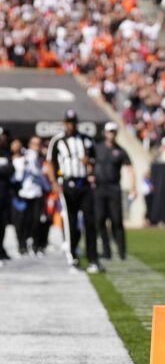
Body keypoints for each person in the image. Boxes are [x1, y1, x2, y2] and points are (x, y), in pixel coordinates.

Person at [46, 109, 102, 273]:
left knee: (90, 221)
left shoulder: (86, 139)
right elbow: (51, 163)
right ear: (64, 123)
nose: (71, 125)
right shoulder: (57, 141)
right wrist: (54, 182)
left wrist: (89, 163)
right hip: (67, 184)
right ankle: (73, 258)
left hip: (84, 183)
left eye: (73, 122)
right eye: (68, 122)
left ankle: (93, 259)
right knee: (70, 223)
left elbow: (94, 161)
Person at [94, 122, 136, 260]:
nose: (111, 134)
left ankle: (121, 251)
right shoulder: (97, 148)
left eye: (113, 132)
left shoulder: (120, 151)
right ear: (105, 133)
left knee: (116, 221)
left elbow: (130, 168)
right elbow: (88, 162)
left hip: (114, 188)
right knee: (100, 220)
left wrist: (133, 187)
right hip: (99, 188)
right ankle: (106, 252)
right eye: (109, 132)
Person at [12, 136, 49, 255]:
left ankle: (35, 244)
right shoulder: (27, 155)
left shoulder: (42, 159)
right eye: (34, 144)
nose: (36, 147)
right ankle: (22, 245)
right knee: (23, 221)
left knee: (37, 221)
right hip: (23, 194)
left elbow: (43, 175)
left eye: (39, 144)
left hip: (37, 194)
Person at [0, 128, 13, 263]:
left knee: (3, 225)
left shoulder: (5, 153)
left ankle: (1, 248)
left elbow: (11, 169)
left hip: (4, 195)